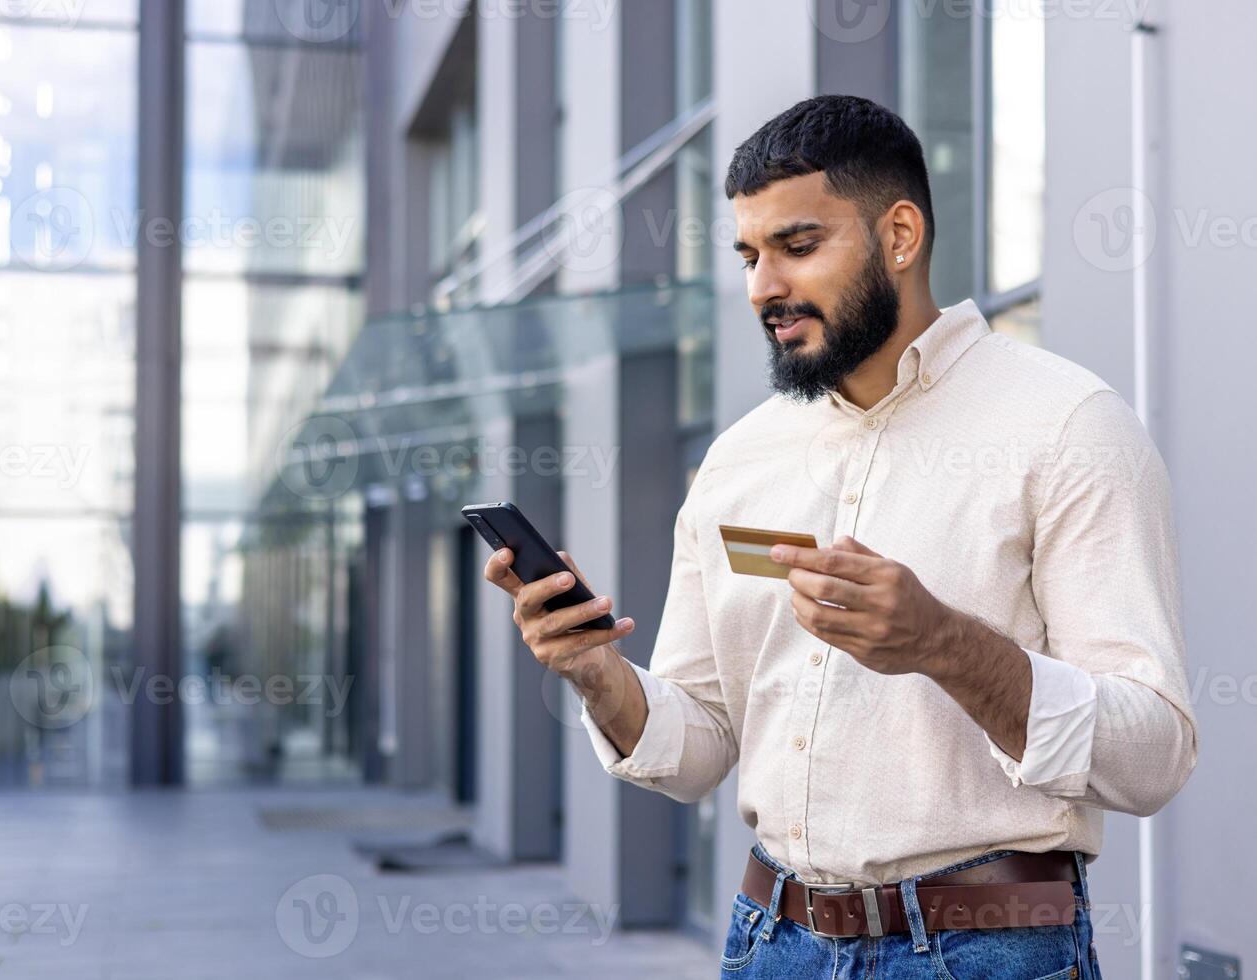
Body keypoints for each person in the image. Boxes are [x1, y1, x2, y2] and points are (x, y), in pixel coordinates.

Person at [484, 94, 1197, 979]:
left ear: (900, 236)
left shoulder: (1068, 426)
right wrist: (597, 672)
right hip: (769, 943)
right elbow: (699, 743)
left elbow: (1155, 756)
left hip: (989, 950)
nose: (762, 289)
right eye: (749, 256)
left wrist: (945, 645)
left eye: (797, 246)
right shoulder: (738, 461)